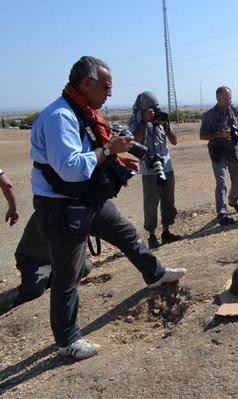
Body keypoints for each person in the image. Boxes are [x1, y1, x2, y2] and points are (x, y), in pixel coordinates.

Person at [30, 56, 186, 360]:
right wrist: (108, 149)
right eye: (107, 86)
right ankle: (67, 341)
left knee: (127, 235)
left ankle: (154, 274)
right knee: (67, 274)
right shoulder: (60, 116)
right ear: (87, 83)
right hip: (61, 208)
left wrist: (113, 152)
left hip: (86, 199)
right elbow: (71, 169)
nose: (110, 93)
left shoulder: (84, 111)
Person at [129, 91, 180, 248]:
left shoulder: (161, 118)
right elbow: (133, 141)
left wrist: (166, 126)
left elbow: (174, 141)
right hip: (149, 169)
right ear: (143, 108)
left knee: (168, 199)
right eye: (150, 108)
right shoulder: (135, 121)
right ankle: (151, 236)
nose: (154, 111)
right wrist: (144, 122)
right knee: (151, 203)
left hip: (166, 165)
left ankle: (166, 231)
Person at [200, 86, 238, 226]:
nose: (229, 101)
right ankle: (222, 214)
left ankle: (233, 200)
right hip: (218, 153)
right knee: (221, 183)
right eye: (226, 98)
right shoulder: (209, 115)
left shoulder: (235, 111)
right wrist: (218, 135)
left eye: (230, 98)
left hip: (234, 152)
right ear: (218, 98)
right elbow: (202, 136)